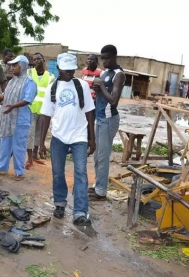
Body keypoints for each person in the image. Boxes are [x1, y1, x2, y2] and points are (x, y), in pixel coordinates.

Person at [39, 53, 95, 226]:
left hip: (79, 135)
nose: (69, 73)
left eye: (72, 70)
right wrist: (41, 142)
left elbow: (89, 112)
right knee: (57, 172)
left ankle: (80, 211)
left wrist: (92, 138)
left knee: (80, 173)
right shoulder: (52, 88)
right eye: (66, 70)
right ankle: (60, 203)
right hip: (58, 136)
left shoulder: (82, 86)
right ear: (58, 69)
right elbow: (46, 116)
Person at [0, 55, 37, 180]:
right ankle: (2, 168)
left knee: (19, 146)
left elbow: (28, 99)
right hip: (8, 119)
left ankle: (19, 172)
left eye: (15, 65)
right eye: (12, 65)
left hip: (20, 120)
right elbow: (5, 97)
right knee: (5, 144)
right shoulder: (12, 82)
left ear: (22, 66)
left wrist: (13, 106)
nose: (12, 68)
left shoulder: (29, 82)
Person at [89, 45, 125, 201]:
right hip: (100, 117)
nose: (104, 61)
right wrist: (98, 89)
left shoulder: (119, 74)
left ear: (115, 57)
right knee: (97, 156)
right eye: (102, 58)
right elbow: (103, 95)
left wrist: (101, 86)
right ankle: (98, 185)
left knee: (103, 156)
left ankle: (101, 191)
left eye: (107, 58)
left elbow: (113, 100)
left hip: (109, 119)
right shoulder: (104, 73)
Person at [25, 52, 55, 169]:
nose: (37, 61)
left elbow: (52, 94)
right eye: (34, 59)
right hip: (31, 108)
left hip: (44, 110)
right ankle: (29, 158)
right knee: (30, 133)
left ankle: (35, 155)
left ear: (44, 60)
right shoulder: (29, 73)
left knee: (39, 133)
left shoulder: (51, 76)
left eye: (39, 59)